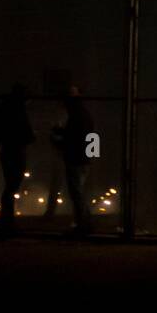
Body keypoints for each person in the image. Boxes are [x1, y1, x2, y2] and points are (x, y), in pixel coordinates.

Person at [0, 84, 34, 228]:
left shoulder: (1, 109)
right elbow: (28, 134)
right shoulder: (18, 111)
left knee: (10, 184)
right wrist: (32, 137)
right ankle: (6, 221)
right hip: (16, 151)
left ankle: (6, 220)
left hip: (6, 150)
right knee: (12, 185)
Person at [52, 86, 95, 236]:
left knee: (76, 192)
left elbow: (74, 139)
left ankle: (83, 225)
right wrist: (92, 156)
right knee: (78, 192)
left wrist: (57, 141)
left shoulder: (76, 115)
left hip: (76, 159)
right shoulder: (83, 114)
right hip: (82, 158)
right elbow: (90, 136)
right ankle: (86, 223)